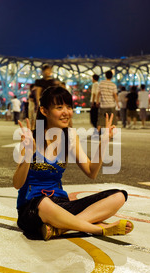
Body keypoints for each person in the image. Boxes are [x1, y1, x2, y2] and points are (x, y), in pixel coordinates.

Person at [13, 86, 133, 240]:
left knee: (119, 196)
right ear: (44, 111)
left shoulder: (70, 136)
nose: (66, 112)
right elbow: (17, 183)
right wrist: (28, 154)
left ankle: (61, 228)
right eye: (59, 107)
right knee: (44, 203)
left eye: (69, 107)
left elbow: (91, 172)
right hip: (32, 208)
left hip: (61, 205)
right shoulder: (31, 139)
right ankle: (98, 229)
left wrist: (104, 142)